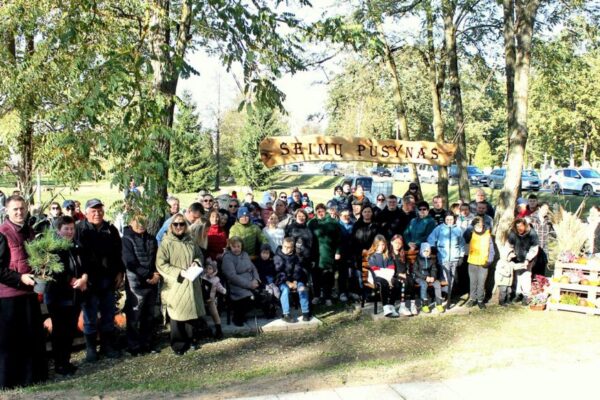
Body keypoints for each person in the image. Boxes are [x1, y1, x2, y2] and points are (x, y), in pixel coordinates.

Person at [0, 195, 47, 389]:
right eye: (15, 209)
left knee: (30, 337)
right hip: (9, 296)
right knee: (10, 341)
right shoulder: (2, 234)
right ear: (7, 212)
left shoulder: (29, 231)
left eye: (22, 208)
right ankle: (9, 381)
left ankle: (31, 378)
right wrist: (20, 278)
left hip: (29, 293)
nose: (19, 212)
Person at [76, 198, 124, 362]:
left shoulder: (111, 229)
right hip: (88, 282)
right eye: (93, 211)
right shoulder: (79, 229)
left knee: (108, 315)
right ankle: (91, 349)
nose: (97, 213)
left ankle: (107, 346)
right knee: (89, 317)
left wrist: (120, 272)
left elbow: (118, 253)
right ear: (86, 212)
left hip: (108, 279)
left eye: (99, 210)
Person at [45, 216, 88, 375]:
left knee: (70, 330)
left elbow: (84, 265)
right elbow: (55, 272)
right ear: (58, 230)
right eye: (66, 229)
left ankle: (66, 361)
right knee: (60, 331)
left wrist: (84, 277)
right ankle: (60, 364)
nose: (70, 232)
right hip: (59, 296)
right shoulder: (54, 248)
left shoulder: (76, 246)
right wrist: (72, 280)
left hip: (74, 296)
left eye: (72, 229)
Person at [157, 214, 206, 354]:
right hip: (176, 283)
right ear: (171, 226)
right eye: (176, 224)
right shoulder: (166, 243)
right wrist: (179, 272)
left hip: (191, 281)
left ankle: (191, 340)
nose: (179, 227)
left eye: (182, 224)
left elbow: (199, 255)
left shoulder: (190, 240)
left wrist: (196, 262)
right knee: (177, 315)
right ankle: (178, 345)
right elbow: (161, 264)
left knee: (190, 313)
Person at [122, 215, 160, 356]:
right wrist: (148, 275)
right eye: (137, 222)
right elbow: (129, 262)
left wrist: (155, 274)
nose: (141, 225)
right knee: (134, 315)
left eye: (144, 221)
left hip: (152, 282)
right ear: (131, 222)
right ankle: (134, 346)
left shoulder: (151, 239)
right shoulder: (126, 239)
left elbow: (156, 258)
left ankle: (147, 343)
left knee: (149, 315)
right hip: (135, 283)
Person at [221, 236, 264, 326]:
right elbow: (232, 276)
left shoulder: (244, 254)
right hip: (237, 285)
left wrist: (256, 279)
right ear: (230, 246)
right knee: (248, 299)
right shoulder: (227, 257)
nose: (236, 249)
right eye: (234, 246)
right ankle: (237, 317)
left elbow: (253, 268)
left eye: (238, 246)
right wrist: (249, 284)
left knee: (265, 294)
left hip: (252, 281)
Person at [427, 212, 465, 307]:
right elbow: (430, 238)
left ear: (454, 220)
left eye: (451, 220)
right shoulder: (439, 228)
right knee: (445, 276)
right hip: (443, 257)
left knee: (452, 277)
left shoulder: (458, 230)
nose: (449, 221)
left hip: (454, 257)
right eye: (447, 219)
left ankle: (449, 295)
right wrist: (433, 247)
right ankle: (445, 295)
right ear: (444, 219)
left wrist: (461, 255)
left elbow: (462, 244)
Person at [308, 203, 341, 306]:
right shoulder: (311, 223)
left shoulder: (333, 222)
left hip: (328, 254)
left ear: (325, 211)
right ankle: (317, 296)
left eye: (322, 211)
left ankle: (327, 297)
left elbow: (339, 239)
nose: (320, 213)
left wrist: (338, 252)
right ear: (315, 212)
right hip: (315, 255)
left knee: (328, 276)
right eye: (318, 211)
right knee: (315, 276)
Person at [274, 237, 310, 322]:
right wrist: (287, 282)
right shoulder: (277, 256)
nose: (286, 249)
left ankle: (306, 312)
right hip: (282, 280)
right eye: (285, 246)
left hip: (295, 280)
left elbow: (298, 268)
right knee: (285, 290)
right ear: (282, 245)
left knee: (302, 289)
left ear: (293, 248)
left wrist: (295, 281)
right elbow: (278, 271)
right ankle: (286, 314)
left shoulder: (295, 256)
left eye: (289, 247)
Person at [463, 217, 495, 309]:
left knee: (481, 283)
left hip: (483, 263)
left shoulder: (488, 235)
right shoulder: (471, 233)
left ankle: (480, 300)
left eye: (480, 226)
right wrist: (470, 226)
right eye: (476, 226)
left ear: (483, 225)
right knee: (473, 282)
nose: (478, 228)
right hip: (472, 262)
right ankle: (472, 299)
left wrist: (489, 260)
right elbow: (465, 237)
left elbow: (492, 250)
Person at [507, 218, 540, 305]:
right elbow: (510, 245)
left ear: (525, 225)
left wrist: (527, 259)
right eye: (517, 227)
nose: (519, 229)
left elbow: (534, 248)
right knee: (516, 276)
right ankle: (517, 294)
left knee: (525, 276)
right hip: (516, 257)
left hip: (528, 258)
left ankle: (526, 295)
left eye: (521, 226)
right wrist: (510, 254)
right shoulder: (513, 233)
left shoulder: (532, 233)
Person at [367, 235, 400, 318]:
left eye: (383, 244)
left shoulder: (388, 256)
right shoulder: (372, 257)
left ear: (385, 245)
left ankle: (391, 306)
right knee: (383, 282)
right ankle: (385, 307)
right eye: (378, 245)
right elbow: (376, 272)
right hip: (375, 277)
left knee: (395, 282)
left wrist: (387, 276)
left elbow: (391, 270)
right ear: (375, 245)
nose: (381, 247)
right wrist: (385, 273)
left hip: (388, 277)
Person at [414, 243, 443, 314]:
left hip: (430, 277)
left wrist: (433, 277)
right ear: (421, 251)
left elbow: (434, 269)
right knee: (424, 285)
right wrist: (425, 277)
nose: (426, 253)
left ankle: (439, 304)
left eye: (428, 251)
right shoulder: (418, 259)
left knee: (437, 284)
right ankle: (424, 305)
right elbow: (415, 271)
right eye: (424, 251)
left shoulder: (431, 260)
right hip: (419, 277)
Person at [201, 258, 226, 339]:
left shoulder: (216, 280)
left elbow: (219, 287)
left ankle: (218, 328)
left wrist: (223, 291)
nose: (208, 270)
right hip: (202, 298)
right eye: (207, 268)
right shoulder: (203, 278)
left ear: (214, 270)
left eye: (210, 268)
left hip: (211, 299)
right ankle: (202, 328)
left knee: (214, 312)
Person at [390, 234, 415, 316]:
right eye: (396, 242)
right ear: (391, 242)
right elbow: (389, 269)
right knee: (403, 282)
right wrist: (399, 274)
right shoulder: (390, 255)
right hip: (394, 275)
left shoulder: (402, 254)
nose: (398, 245)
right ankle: (402, 306)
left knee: (411, 280)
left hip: (404, 274)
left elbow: (407, 265)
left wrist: (407, 272)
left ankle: (412, 304)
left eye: (400, 243)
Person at [337, 208, 357, 302]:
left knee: (352, 273)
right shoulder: (337, 225)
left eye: (348, 215)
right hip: (341, 253)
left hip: (352, 252)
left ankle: (352, 291)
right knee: (342, 274)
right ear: (340, 216)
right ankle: (342, 292)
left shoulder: (353, 225)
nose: (346, 217)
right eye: (344, 215)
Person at [530, 202, 554, 276]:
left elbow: (553, 233)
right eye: (544, 209)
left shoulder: (549, 220)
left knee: (541, 272)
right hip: (534, 249)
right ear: (539, 208)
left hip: (544, 249)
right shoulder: (532, 218)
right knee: (533, 270)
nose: (546, 211)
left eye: (547, 209)